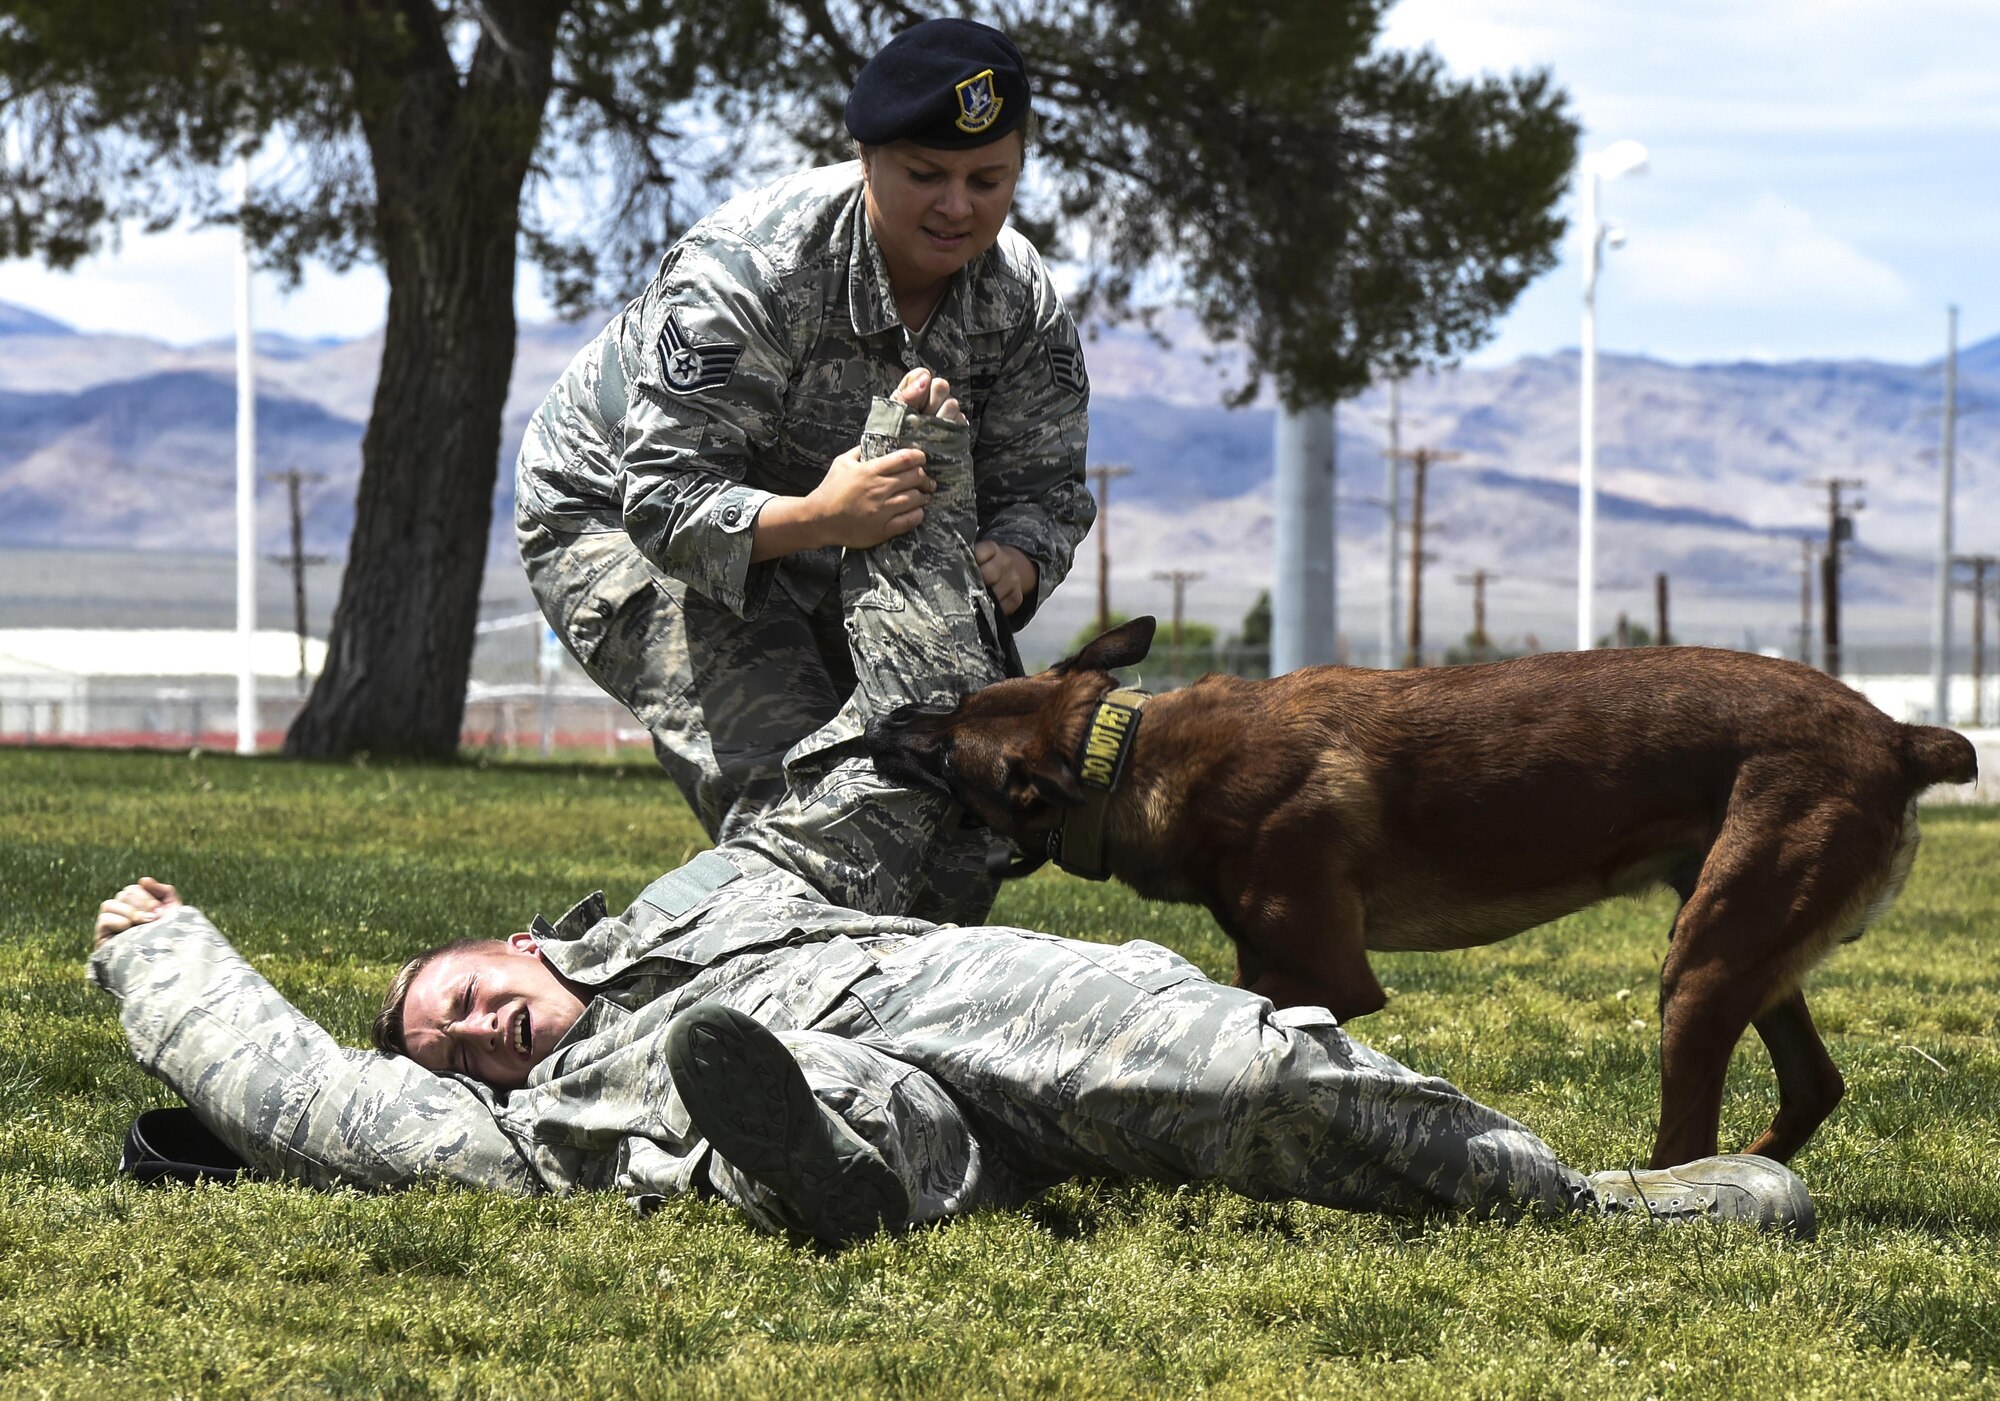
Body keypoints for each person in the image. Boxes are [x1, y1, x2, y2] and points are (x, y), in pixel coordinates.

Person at [91, 384, 1815, 1244]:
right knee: (841, 1128)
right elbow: (327, 1104)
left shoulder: (715, 900)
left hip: (927, 993)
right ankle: (815, 1165)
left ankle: (1590, 1199)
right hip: (809, 1110)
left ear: (509, 945)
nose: (473, 1031)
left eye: (459, 994)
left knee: (1238, 1066)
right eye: (456, 1045)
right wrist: (168, 971)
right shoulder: (534, 1124)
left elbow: (893, 743)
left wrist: (907, 462)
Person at [515, 16, 1093, 927]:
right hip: (615, 515)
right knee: (793, 776)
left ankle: (909, 1020)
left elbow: (1045, 487)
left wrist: (1017, 559)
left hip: (844, 532)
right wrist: (824, 518)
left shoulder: (1017, 299)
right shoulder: (750, 272)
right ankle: (716, 985)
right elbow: (663, 499)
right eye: (925, 175)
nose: (957, 207)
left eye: (989, 180)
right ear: (866, 159)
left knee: (955, 785)